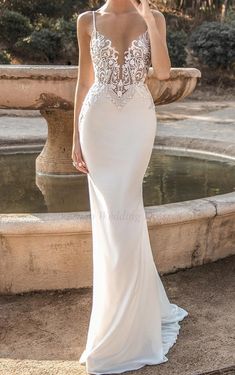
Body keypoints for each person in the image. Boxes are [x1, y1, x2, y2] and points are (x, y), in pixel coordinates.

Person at [71, 0, 188, 374]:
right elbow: (84, 80)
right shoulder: (87, 20)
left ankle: (130, 325)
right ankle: (114, 320)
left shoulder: (153, 17)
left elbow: (165, 73)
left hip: (137, 121)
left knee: (126, 214)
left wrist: (152, 23)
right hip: (97, 123)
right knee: (111, 222)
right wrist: (75, 136)